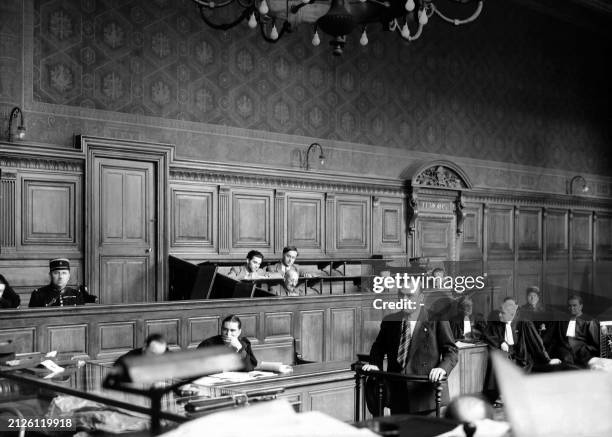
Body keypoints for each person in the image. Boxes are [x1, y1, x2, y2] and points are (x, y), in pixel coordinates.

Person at [362, 277, 458, 415]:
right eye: (401, 295)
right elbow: (378, 347)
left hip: (425, 397)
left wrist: (442, 369)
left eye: (410, 295)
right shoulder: (390, 321)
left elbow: (452, 351)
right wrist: (374, 364)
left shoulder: (436, 319)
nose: (404, 300)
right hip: (397, 396)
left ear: (421, 298)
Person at [482, 297, 562, 404]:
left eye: (502, 313)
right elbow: (487, 334)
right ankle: (497, 394)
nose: (499, 315)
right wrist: (500, 342)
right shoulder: (498, 322)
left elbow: (537, 344)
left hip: (521, 358)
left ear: (511, 314)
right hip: (506, 355)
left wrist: (547, 359)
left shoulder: (524, 323)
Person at [28, 259, 95, 307]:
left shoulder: (77, 294)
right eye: (56, 273)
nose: (60, 277)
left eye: (64, 273)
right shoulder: (38, 295)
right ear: (50, 275)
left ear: (69, 276)